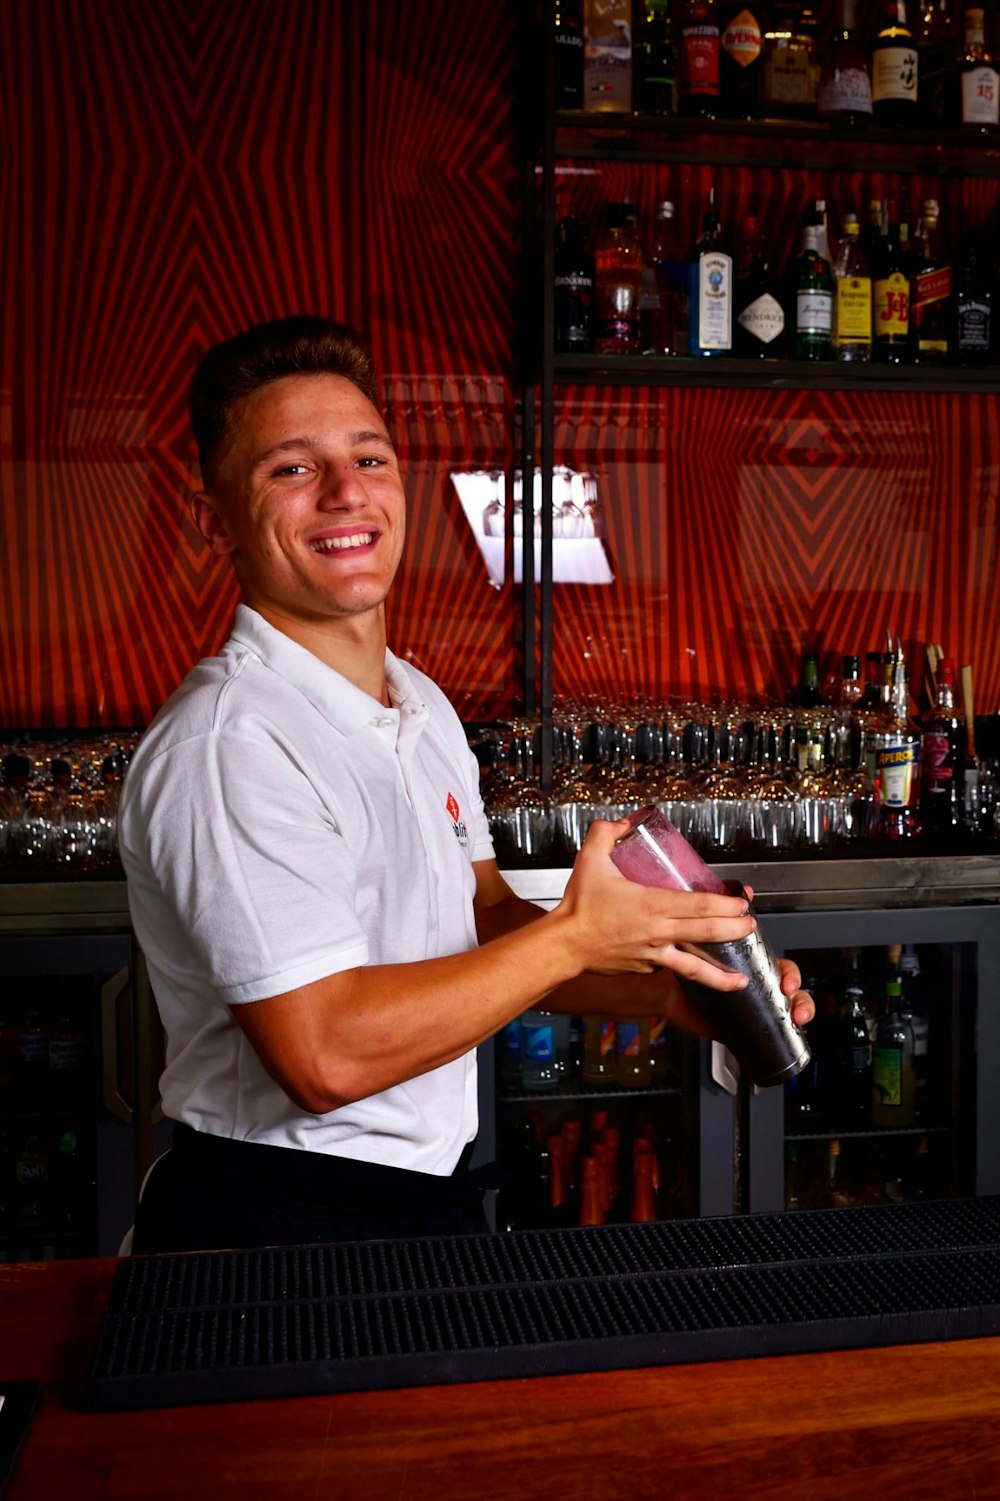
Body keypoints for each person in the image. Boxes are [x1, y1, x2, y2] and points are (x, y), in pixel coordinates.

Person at [118, 315, 812, 1254]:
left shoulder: (421, 705)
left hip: (427, 1201)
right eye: (290, 468)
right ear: (215, 520)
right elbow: (321, 1056)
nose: (342, 493)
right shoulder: (227, 743)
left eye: (368, 457)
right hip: (272, 1221)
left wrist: (662, 990)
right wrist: (578, 934)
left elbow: (478, 920)